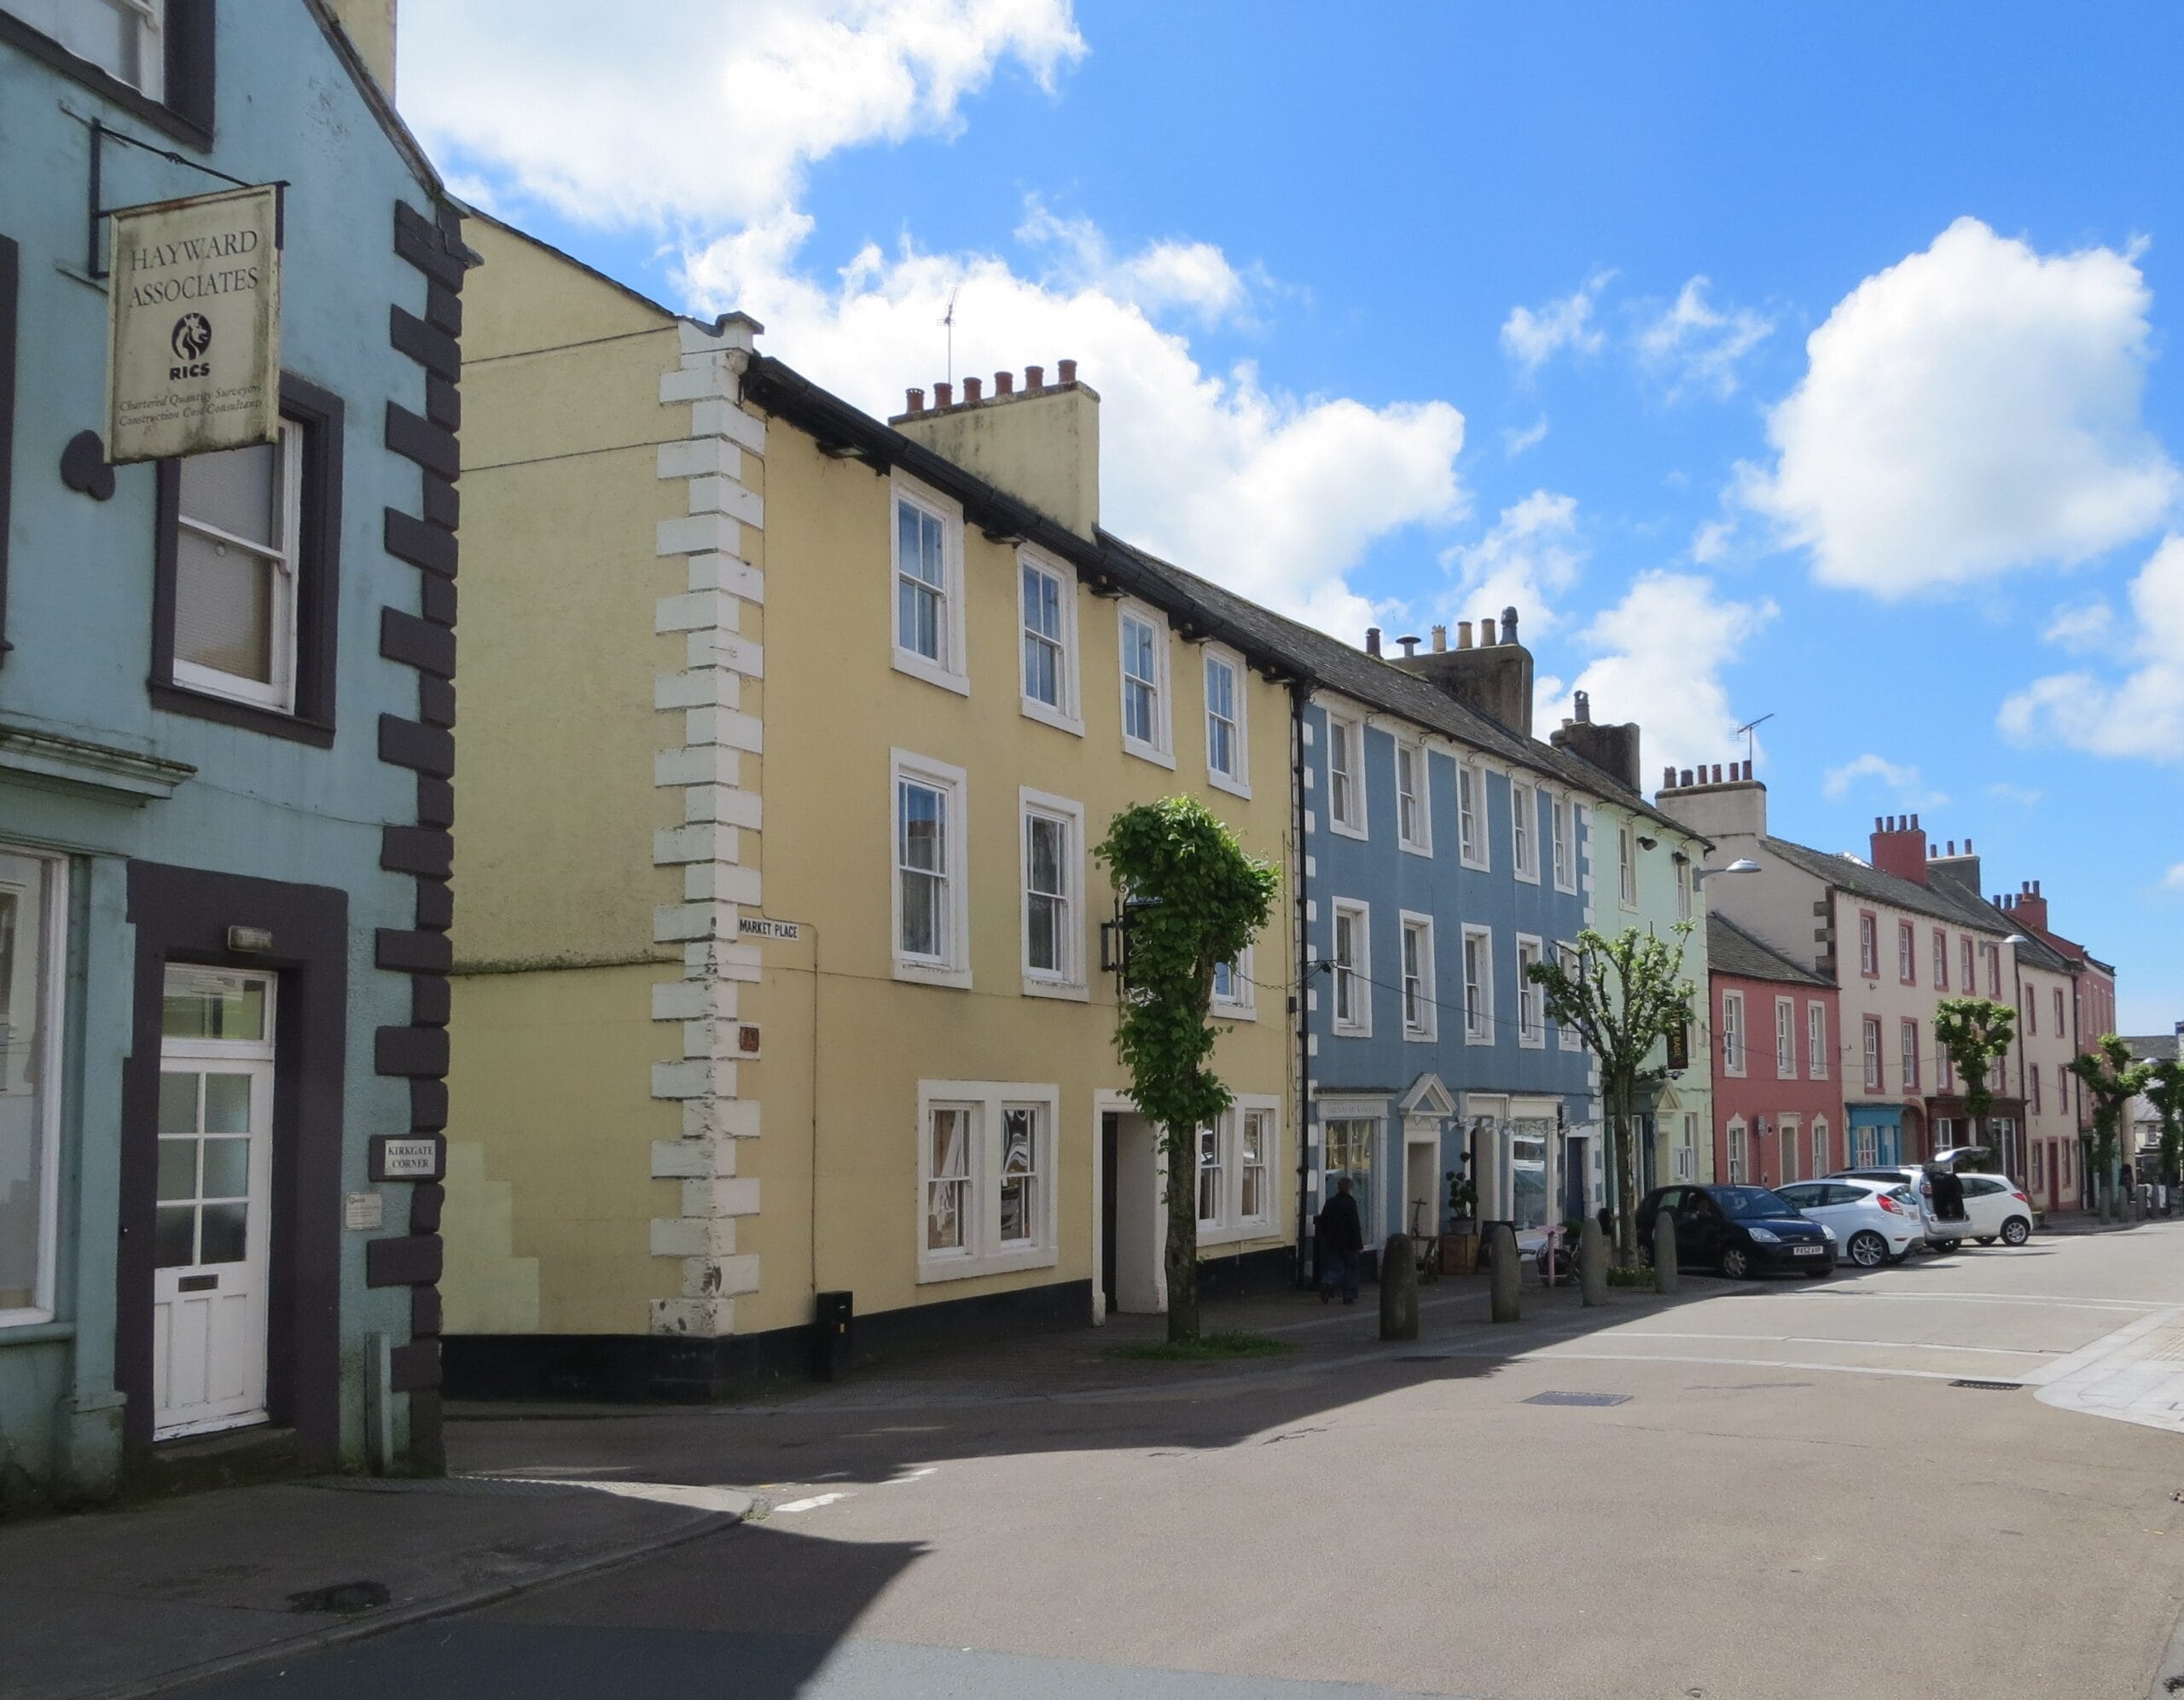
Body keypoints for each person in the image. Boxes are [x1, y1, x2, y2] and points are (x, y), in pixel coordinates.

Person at [1316, 1177, 1364, 1305]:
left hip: (1332, 1241)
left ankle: (1327, 1282)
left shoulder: (1330, 1202)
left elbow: (1323, 1221)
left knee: (1334, 1267)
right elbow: (1354, 1225)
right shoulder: (1350, 1203)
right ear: (1349, 1188)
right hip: (1348, 1242)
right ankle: (1348, 1296)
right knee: (1350, 1268)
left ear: (1338, 1187)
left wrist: (1327, 1235)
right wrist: (1359, 1244)